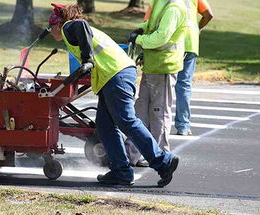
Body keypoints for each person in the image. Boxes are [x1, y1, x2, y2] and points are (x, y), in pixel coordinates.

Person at [48, 3, 179, 187]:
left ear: (57, 24)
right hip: (113, 75)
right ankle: (121, 171)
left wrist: (87, 59)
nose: (49, 30)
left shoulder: (69, 26)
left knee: (126, 121)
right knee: (105, 126)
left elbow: (81, 25)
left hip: (115, 75)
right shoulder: (73, 34)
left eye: (50, 26)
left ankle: (163, 161)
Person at [126, 0, 187, 166]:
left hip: (164, 67)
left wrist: (139, 39)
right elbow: (152, 26)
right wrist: (141, 29)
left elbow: (161, 37)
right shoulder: (161, 3)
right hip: (153, 65)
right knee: (141, 111)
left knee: (159, 113)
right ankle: (133, 154)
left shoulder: (174, 8)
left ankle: (161, 156)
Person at [175, 0, 213, 136]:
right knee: (183, 85)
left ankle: (158, 124)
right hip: (190, 42)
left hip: (170, 43)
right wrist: (197, 29)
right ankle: (183, 126)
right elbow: (208, 14)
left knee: (163, 84)